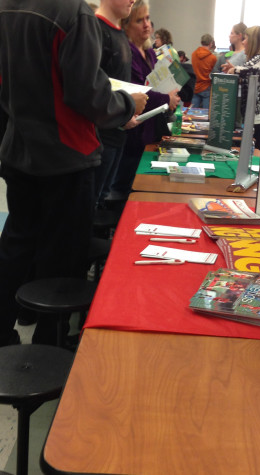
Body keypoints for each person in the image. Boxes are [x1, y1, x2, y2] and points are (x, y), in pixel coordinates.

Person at [0, 0, 147, 346]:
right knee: (62, 257)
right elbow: (88, 94)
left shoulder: (7, 7)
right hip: (67, 156)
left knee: (17, 246)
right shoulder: (73, 14)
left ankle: (4, 330)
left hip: (19, 150)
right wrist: (127, 104)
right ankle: (48, 346)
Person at [108, 0, 180, 202]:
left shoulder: (148, 52)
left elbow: (159, 82)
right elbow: (140, 92)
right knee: (124, 187)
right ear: (126, 25)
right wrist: (167, 97)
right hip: (132, 133)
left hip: (148, 130)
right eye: (140, 20)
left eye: (148, 18)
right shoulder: (128, 52)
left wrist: (171, 94)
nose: (147, 24)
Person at [94, 0, 140, 209]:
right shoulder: (95, 29)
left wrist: (126, 112)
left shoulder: (119, 34)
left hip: (118, 131)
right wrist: (126, 107)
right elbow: (93, 91)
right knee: (91, 200)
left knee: (102, 195)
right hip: (99, 137)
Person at [227, 26, 260, 151]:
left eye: (245, 39)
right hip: (252, 113)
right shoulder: (254, 59)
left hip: (259, 113)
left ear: (254, 42)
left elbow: (251, 70)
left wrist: (234, 69)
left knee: (258, 147)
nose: (243, 42)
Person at [191, 34, 217, 109]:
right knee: (206, 115)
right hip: (207, 87)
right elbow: (213, 73)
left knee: (193, 114)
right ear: (211, 43)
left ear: (201, 42)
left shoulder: (193, 54)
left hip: (195, 87)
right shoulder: (213, 58)